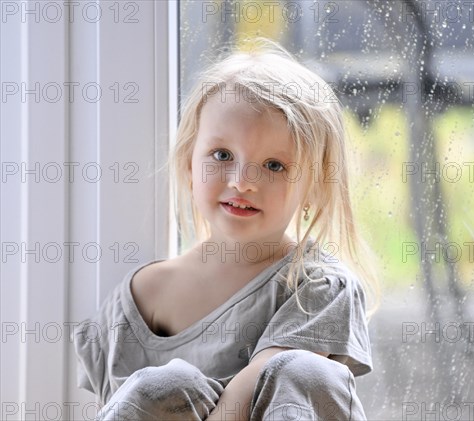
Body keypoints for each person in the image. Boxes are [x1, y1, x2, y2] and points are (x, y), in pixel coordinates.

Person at [73, 38, 379, 421]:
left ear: (314, 187)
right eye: (222, 156)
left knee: (303, 369)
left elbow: (246, 400)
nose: (242, 181)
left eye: (274, 166)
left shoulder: (316, 288)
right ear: (188, 162)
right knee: (165, 387)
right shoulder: (136, 301)